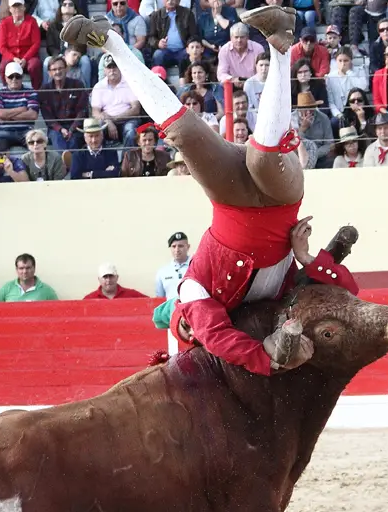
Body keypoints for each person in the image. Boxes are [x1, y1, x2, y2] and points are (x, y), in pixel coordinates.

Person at [62, 6, 358, 376]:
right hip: (280, 200)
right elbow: (349, 288)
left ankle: (110, 42)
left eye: (186, 326)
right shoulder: (262, 300)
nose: (193, 328)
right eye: (191, 331)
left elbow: (216, 336)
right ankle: (280, 47)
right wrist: (306, 257)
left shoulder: (193, 290)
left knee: (182, 135)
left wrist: (266, 362)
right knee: (263, 158)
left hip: (229, 195)